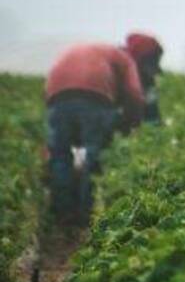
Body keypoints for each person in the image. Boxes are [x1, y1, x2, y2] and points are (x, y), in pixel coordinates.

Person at [44, 43, 145, 225]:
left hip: (56, 95)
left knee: (59, 155)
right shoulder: (125, 59)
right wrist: (131, 122)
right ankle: (86, 215)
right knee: (94, 154)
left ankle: (62, 213)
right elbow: (135, 94)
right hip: (95, 95)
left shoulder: (80, 51)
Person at [124, 33, 164, 124]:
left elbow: (151, 107)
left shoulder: (148, 78)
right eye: (152, 59)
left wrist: (156, 124)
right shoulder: (121, 67)